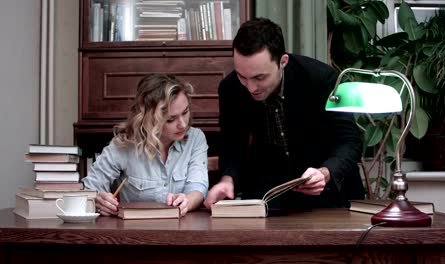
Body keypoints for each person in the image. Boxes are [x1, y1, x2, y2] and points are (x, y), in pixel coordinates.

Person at [204, 18, 365, 210]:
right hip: (272, 197)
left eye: (259, 77)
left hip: (331, 196)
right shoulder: (231, 88)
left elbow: (349, 141)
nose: (250, 87)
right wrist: (227, 180)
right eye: (242, 76)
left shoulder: (321, 78)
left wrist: (325, 172)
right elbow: (232, 144)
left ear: (283, 61)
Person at [82, 74, 209, 217]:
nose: (183, 124)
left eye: (185, 112)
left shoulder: (195, 138)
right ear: (149, 119)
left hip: (182, 232)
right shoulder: (124, 145)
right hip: (133, 233)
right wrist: (98, 201)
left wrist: (186, 201)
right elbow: (89, 189)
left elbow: (198, 186)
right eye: (170, 119)